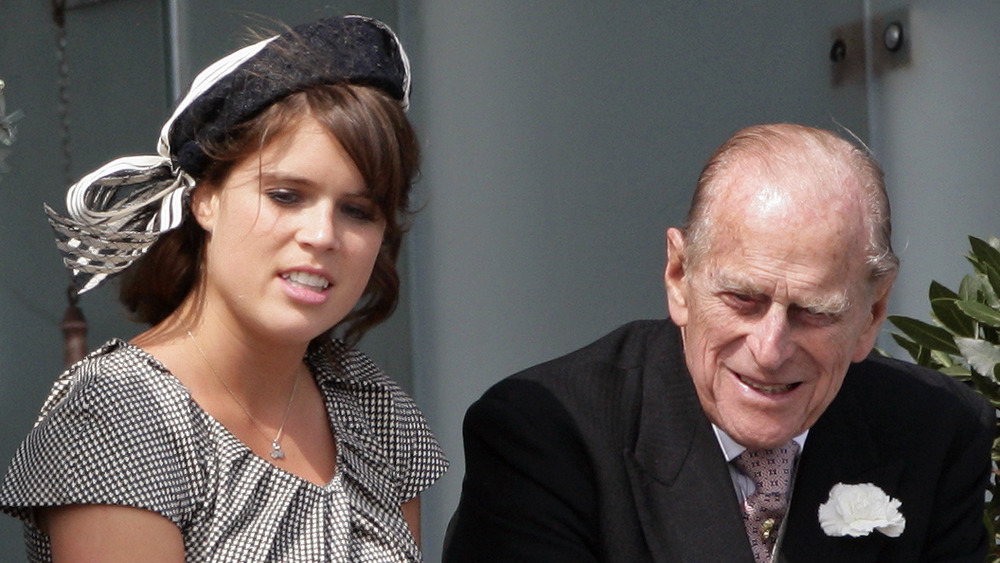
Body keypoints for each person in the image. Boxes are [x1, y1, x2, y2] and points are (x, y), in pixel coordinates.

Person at [0, 15, 447, 562]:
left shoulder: (372, 407)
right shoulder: (122, 413)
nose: (323, 235)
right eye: (286, 195)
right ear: (204, 198)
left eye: (358, 210)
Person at [443, 124, 994, 562]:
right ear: (679, 277)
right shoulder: (548, 436)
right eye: (742, 300)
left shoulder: (934, 431)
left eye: (813, 312)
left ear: (873, 313)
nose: (770, 349)